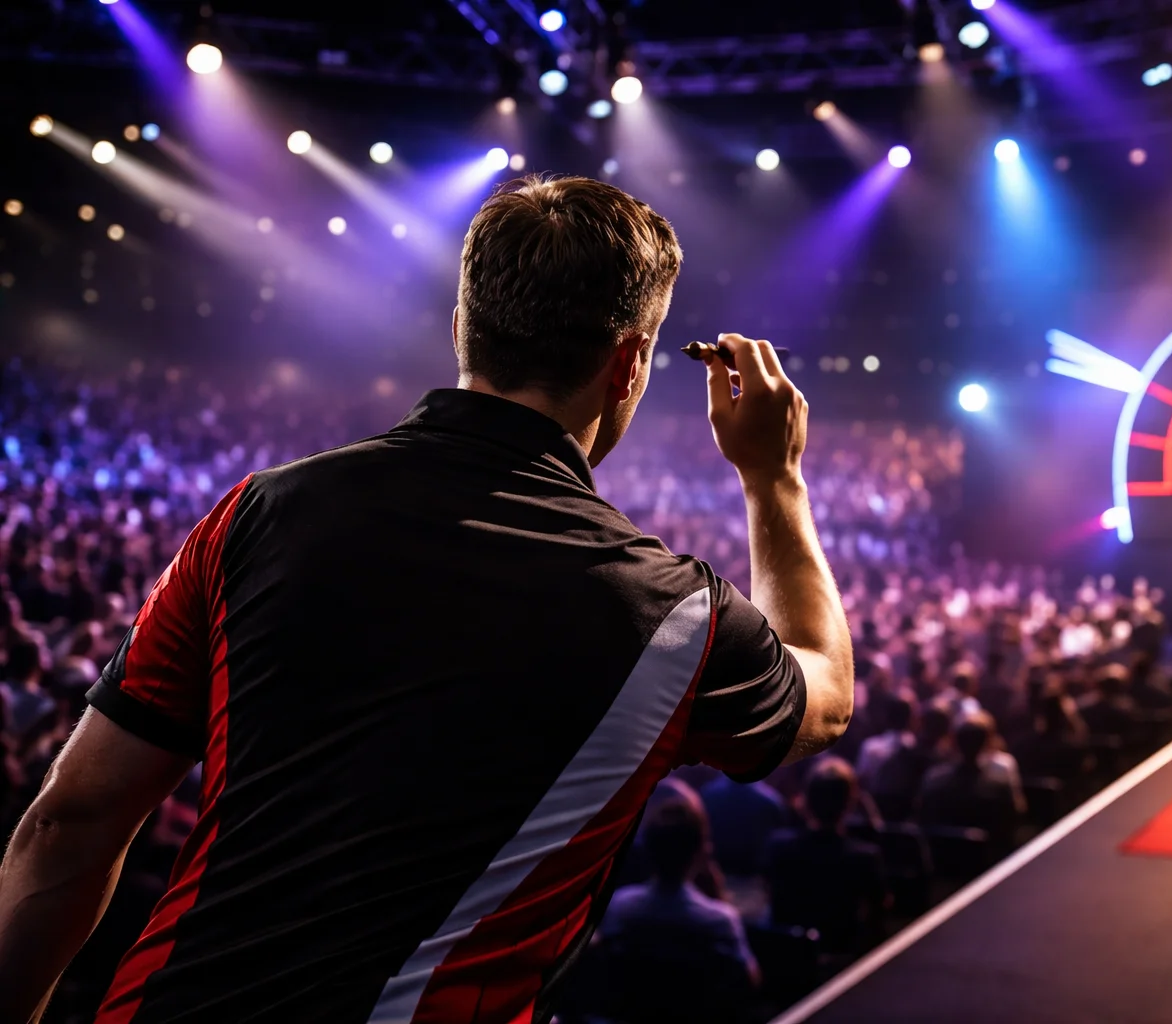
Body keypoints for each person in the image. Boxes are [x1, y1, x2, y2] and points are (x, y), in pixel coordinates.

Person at [0, 175, 854, 1024]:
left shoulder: (256, 514)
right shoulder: (675, 616)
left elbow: (69, 822)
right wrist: (773, 478)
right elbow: (826, 692)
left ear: (460, 330)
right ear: (629, 364)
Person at [598, 798, 759, 1023]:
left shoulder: (617, 908)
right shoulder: (720, 921)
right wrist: (718, 897)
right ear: (700, 852)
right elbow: (749, 980)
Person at [764, 758, 887, 952]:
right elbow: (879, 912)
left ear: (806, 800)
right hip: (843, 953)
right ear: (850, 803)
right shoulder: (864, 858)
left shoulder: (778, 847)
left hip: (788, 954)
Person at [915, 711, 1025, 848]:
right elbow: (1014, 818)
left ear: (955, 742)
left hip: (943, 854)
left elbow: (923, 819)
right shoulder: (998, 786)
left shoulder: (934, 780)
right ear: (985, 743)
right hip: (988, 855)